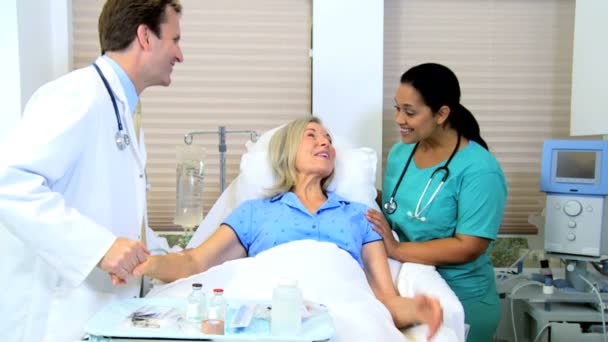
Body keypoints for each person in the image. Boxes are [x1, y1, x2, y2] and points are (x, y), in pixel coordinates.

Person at [133, 116, 443, 338]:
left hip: (342, 316)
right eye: (312, 135)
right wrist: (148, 263)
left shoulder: (360, 216)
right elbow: (194, 261)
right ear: (287, 151)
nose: (325, 142)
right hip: (273, 315)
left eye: (329, 140)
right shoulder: (254, 213)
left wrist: (418, 310)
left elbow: (385, 300)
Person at [0, 1, 184, 341]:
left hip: (100, 313)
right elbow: (10, 185)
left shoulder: (122, 111)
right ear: (145, 36)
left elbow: (114, 210)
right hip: (55, 317)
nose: (180, 54)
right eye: (174, 39)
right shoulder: (77, 95)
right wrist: (100, 248)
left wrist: (166, 259)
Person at [365, 63, 507, 342]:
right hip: (408, 289)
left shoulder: (480, 169)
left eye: (410, 112)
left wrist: (396, 249)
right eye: (397, 108)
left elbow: (469, 246)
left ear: (442, 113)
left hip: (461, 300)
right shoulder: (400, 153)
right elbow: (399, 208)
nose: (399, 119)